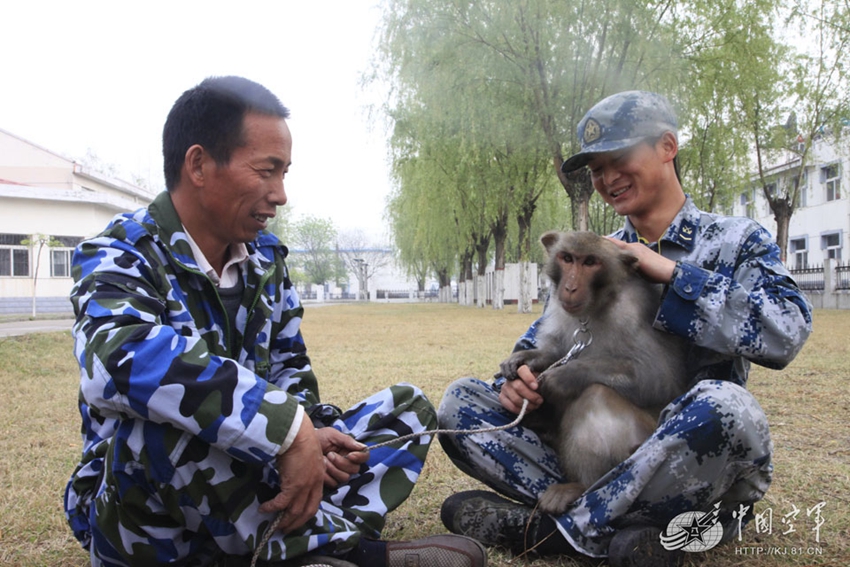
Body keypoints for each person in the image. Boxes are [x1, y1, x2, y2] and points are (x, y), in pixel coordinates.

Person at [64, 76, 487, 567]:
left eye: (284, 173)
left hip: (256, 469)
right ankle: (346, 552)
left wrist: (312, 433)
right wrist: (286, 430)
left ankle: (276, 543)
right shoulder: (120, 252)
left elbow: (290, 369)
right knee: (162, 419)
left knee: (405, 412)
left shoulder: (264, 258)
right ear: (199, 164)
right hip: (147, 506)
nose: (281, 194)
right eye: (267, 171)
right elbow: (116, 361)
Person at [437, 91, 812, 567]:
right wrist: (519, 387)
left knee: (727, 406)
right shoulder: (595, 253)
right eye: (596, 169)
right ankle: (621, 529)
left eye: (619, 159)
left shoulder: (735, 240)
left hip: (688, 462)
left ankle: (561, 532)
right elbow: (541, 348)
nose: (607, 179)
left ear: (667, 147)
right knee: (462, 404)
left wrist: (675, 275)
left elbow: (788, 331)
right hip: (588, 451)